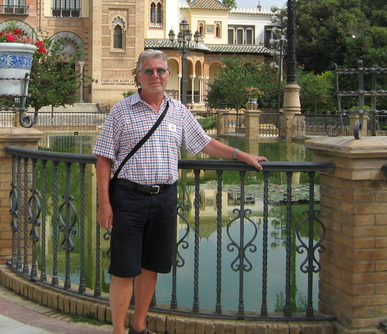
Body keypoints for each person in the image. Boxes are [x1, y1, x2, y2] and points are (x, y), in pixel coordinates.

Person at [93, 49, 267, 334]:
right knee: (124, 268)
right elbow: (103, 158)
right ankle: (118, 330)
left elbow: (204, 142)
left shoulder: (178, 110)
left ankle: (139, 325)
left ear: (168, 75)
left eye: (160, 70)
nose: (155, 76)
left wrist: (240, 154)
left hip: (164, 199)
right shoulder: (121, 110)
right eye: (148, 71)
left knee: (151, 266)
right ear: (138, 75)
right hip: (128, 198)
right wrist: (104, 203)